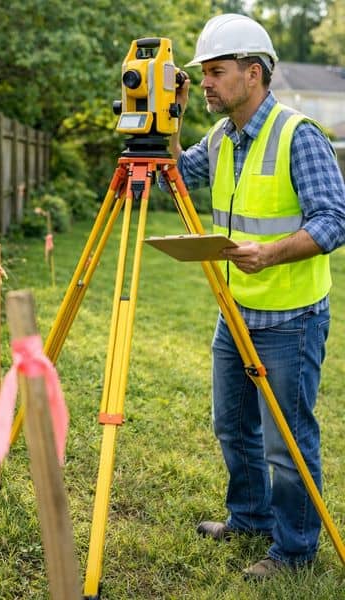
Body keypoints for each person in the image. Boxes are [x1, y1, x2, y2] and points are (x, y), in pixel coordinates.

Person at [169, 13, 345, 579]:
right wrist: (166, 120)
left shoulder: (299, 135)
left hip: (291, 319)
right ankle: (249, 517)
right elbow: (176, 170)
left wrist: (270, 252)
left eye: (216, 72)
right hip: (235, 312)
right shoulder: (223, 137)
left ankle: (294, 550)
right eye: (203, 75)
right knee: (232, 425)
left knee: (286, 443)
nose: (206, 84)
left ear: (254, 72)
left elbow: (333, 221)